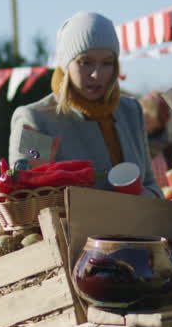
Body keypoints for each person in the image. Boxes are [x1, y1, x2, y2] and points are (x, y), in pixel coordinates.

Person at [8, 11, 161, 197]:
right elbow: (25, 198)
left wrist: (148, 196)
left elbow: (150, 182)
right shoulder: (37, 120)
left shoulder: (130, 111)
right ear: (66, 64)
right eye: (85, 62)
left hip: (138, 224)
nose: (97, 74)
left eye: (107, 63)